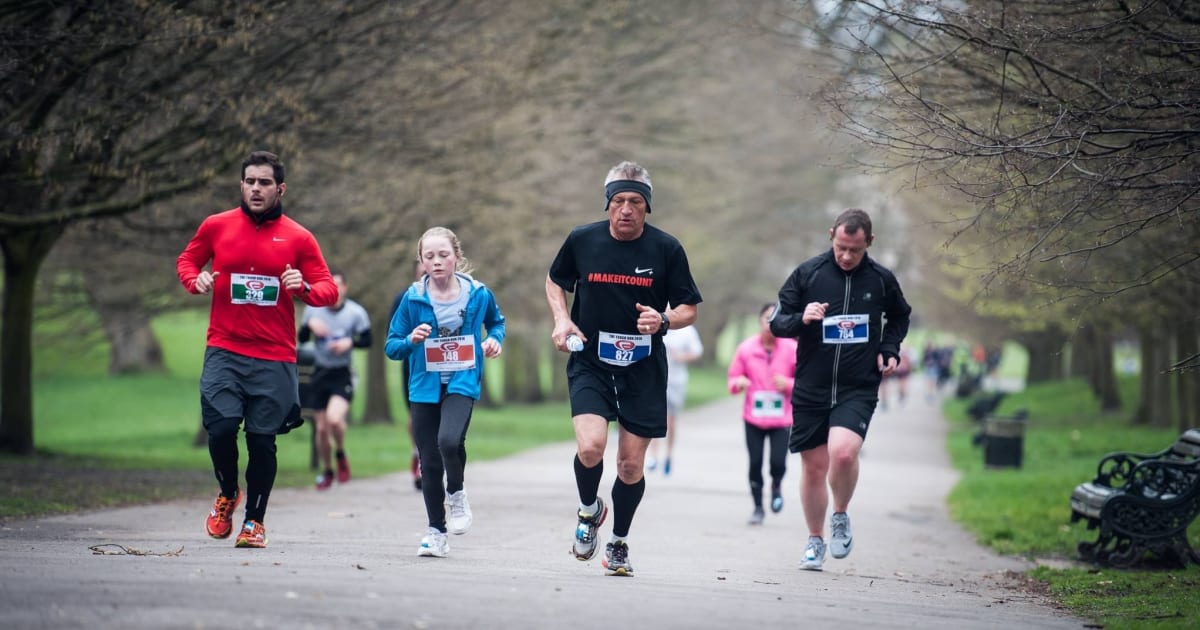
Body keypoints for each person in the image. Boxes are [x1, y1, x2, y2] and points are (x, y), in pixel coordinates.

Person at [545, 160, 703, 577]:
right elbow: (555, 280)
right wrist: (562, 319)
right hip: (591, 361)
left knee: (630, 466)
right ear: (608, 204)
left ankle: (617, 543)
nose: (626, 209)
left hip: (643, 368)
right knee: (591, 446)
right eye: (618, 201)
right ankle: (587, 511)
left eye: (635, 201)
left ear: (647, 207)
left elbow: (689, 308)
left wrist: (664, 320)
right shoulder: (583, 240)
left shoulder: (666, 249)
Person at [176, 150, 338, 549]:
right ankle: (228, 492)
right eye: (249, 181)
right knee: (222, 426)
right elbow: (188, 260)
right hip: (225, 349)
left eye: (264, 182)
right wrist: (194, 281)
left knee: (262, 440)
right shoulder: (217, 226)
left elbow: (328, 290)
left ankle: (255, 522)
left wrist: (301, 287)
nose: (256, 188)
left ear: (280, 188)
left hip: (274, 354)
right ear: (241, 185)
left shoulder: (299, 237)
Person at [768, 208, 911, 571]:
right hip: (812, 385)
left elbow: (899, 316)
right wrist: (803, 317)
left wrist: (889, 349)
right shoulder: (808, 273)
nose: (846, 256)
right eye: (841, 247)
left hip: (857, 385)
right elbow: (778, 323)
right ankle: (815, 540)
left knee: (843, 453)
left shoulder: (880, 279)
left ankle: (840, 515)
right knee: (814, 467)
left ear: (869, 243)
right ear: (831, 235)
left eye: (855, 250)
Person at [386, 227, 505, 558]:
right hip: (424, 386)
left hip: (462, 379)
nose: (436, 262)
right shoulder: (412, 299)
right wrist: (411, 339)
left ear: (456, 257)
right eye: (429, 256)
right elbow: (391, 347)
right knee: (428, 461)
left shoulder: (478, 294)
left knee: (450, 441)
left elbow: (497, 322)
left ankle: (456, 492)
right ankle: (436, 531)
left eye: (443, 255)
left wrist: (495, 340)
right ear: (421, 261)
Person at [299, 269, 372, 490]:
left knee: (333, 419)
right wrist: (309, 327)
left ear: (345, 288)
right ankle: (328, 470)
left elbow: (368, 340)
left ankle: (340, 453)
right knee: (321, 429)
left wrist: (350, 342)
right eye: (331, 285)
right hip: (320, 372)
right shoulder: (313, 309)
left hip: (343, 374)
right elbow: (301, 339)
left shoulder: (355, 312)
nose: (336, 289)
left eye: (339, 285)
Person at [728, 303, 797, 525]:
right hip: (753, 417)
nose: (771, 323)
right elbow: (732, 378)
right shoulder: (746, 348)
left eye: (776, 318)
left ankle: (776, 485)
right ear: (759, 320)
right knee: (755, 463)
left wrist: (787, 383)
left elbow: (807, 383)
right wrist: (739, 382)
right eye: (767, 318)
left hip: (781, 418)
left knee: (778, 462)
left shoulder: (791, 348)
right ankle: (758, 507)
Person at [648, 324, 703, 475]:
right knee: (654, 418)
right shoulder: (654, 325)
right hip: (655, 380)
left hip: (676, 381)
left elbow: (697, 352)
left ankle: (668, 455)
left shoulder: (687, 330)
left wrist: (682, 356)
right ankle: (653, 456)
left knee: (670, 421)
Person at [391, 259, 426, 491]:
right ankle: (418, 454)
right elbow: (392, 339)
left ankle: (429, 461)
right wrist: (411, 339)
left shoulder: (455, 297)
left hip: (445, 367)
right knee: (416, 417)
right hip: (414, 366)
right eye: (423, 269)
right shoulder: (404, 298)